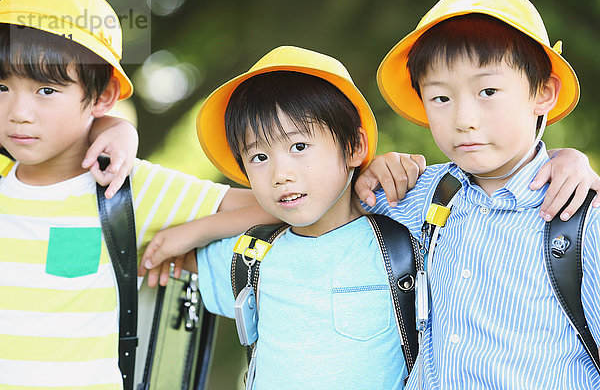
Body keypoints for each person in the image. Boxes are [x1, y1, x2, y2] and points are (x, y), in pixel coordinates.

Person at [139, 44, 599, 389]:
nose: (465, 119)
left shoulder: (413, 217)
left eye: (300, 146)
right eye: (258, 158)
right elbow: (307, 202)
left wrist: (566, 158)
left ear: (354, 146)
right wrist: (194, 233)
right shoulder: (416, 200)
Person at [0, 0, 275, 389]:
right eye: (1, 87)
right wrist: (114, 126)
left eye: (46, 90)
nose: (19, 113)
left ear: (103, 96)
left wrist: (190, 233)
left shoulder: (128, 188)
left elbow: (280, 204)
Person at [358, 0, 600, 388]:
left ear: (543, 93)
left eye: (487, 91)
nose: (464, 119)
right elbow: (320, 202)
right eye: (440, 97)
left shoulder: (580, 219)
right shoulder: (422, 194)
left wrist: (570, 155)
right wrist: (370, 174)